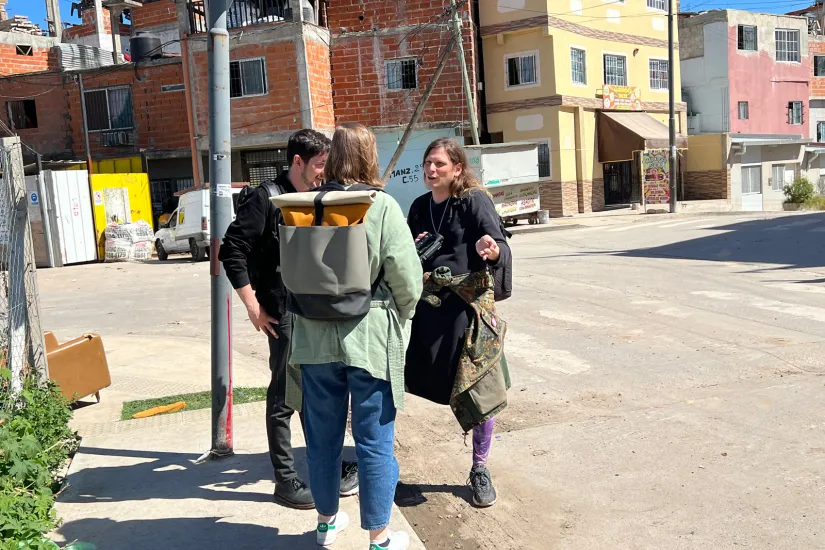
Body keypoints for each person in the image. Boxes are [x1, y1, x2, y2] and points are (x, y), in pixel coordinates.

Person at [285, 123, 423, 550]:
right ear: (370, 157)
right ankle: (379, 538)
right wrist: (402, 316)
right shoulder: (379, 206)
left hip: (311, 337)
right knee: (373, 441)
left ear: (333, 157)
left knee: (321, 439)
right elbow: (407, 279)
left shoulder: (302, 205)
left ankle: (326, 523)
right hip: (370, 337)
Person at [218, 129, 358, 510]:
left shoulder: (313, 196)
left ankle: (325, 462)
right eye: (317, 165)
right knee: (284, 396)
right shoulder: (266, 199)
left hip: (313, 309)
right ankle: (285, 479)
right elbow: (231, 251)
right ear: (298, 161)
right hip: (283, 313)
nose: (322, 172)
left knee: (314, 393)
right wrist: (253, 306)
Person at [405, 138, 511, 509]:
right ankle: (383, 464)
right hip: (432, 309)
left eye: (439, 164)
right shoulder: (419, 207)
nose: (431, 171)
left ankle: (480, 467)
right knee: (400, 377)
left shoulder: (472, 201)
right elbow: (405, 256)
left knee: (480, 392)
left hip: (468, 311)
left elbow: (498, 242)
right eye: (427, 164)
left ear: (457, 168)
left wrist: (493, 250)